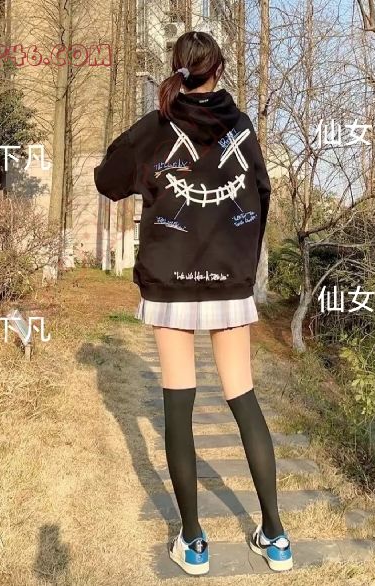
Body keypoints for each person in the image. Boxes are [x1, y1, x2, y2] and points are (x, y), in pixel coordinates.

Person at [94, 30, 292, 576]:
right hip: (228, 283)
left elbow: (107, 180)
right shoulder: (242, 128)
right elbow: (263, 194)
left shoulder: (157, 127)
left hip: (172, 282)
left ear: (178, 69)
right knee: (243, 398)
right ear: (218, 70)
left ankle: (193, 540)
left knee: (178, 405)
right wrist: (241, 262)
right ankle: (276, 536)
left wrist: (135, 148)